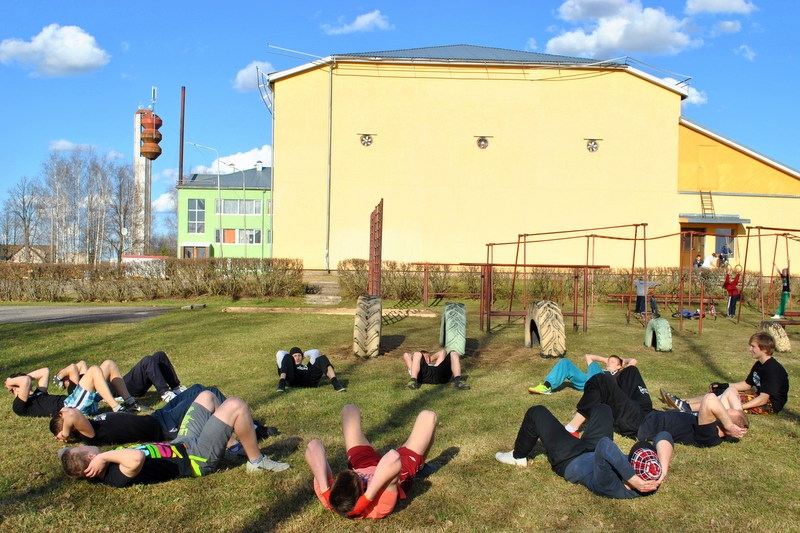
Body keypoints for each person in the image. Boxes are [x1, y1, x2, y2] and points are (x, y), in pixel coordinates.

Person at [58, 390, 290, 486]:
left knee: (206, 396)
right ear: (90, 457)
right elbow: (136, 459)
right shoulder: (114, 474)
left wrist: (104, 458)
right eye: (80, 448)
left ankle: (231, 446)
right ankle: (256, 462)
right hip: (196, 459)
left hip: (182, 443)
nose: (82, 444)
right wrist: (105, 457)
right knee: (235, 405)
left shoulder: (107, 462)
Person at [494, 403, 673, 499]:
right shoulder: (650, 474)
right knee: (603, 408)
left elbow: (605, 445)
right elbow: (664, 435)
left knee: (536, 412)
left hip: (569, 458)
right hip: (595, 450)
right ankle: (575, 424)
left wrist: (633, 479)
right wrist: (663, 472)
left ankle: (518, 456)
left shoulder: (612, 487)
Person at [305, 404, 436, 519]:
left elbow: (313, 446)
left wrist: (325, 491)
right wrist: (368, 498)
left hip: (363, 463)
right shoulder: (377, 507)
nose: (359, 476)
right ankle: (421, 467)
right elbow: (393, 457)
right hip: (398, 470)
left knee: (349, 410)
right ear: (361, 492)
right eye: (359, 479)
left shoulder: (336, 499)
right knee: (428, 416)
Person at [50, 383, 278, 446]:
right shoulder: (89, 434)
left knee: (199, 388)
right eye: (65, 415)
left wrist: (65, 421)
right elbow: (71, 417)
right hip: (163, 428)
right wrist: (64, 427)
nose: (70, 410)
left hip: (157, 416)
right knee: (211, 393)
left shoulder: (90, 422)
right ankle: (253, 430)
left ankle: (247, 424)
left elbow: (72, 416)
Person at [661, 332, 789, 415]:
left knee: (728, 399)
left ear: (764, 349)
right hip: (758, 397)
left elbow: (763, 399)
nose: (750, 349)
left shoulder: (773, 370)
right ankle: (683, 401)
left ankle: (687, 408)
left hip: (770, 405)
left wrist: (739, 407)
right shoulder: (759, 364)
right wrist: (724, 385)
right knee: (721, 392)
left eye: (753, 346)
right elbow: (746, 384)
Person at [6, 362, 147, 418]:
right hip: (71, 406)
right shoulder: (19, 406)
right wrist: (10, 382)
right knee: (93, 370)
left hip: (77, 400)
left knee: (109, 364)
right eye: (22, 384)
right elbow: (25, 381)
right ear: (15, 389)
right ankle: (117, 408)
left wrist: (24, 378)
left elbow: (45, 371)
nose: (29, 385)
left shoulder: (38, 393)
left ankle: (130, 402)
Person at [55, 352, 187, 403]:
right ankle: (165, 393)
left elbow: (81, 363)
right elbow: (72, 367)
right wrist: (59, 377)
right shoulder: (75, 389)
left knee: (159, 356)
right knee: (147, 360)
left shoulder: (85, 376)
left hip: (120, 382)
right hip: (121, 390)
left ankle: (176, 387)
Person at [563, 365, 654, 439]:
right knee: (631, 371)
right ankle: (609, 400)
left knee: (600, 380)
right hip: (649, 411)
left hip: (642, 422)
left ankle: (571, 428)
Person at [641, 387, 749, 447]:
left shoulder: (710, 434)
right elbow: (731, 390)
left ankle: (685, 405)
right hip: (657, 414)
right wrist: (740, 413)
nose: (723, 411)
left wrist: (729, 425)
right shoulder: (719, 422)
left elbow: (710, 399)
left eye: (726, 413)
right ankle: (685, 405)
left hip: (647, 422)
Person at [528, 354, 637, 395]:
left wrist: (624, 361)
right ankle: (546, 386)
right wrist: (605, 359)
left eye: (612, 362)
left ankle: (591, 387)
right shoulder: (600, 369)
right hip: (588, 380)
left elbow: (634, 361)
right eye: (609, 361)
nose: (609, 362)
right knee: (565, 362)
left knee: (594, 366)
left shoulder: (620, 374)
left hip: (601, 385)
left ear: (619, 366)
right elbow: (588, 356)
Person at [276, 347, 345, 393]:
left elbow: (315, 352)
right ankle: (281, 384)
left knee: (322, 358)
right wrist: (290, 356)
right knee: (287, 357)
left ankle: (336, 383)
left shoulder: (307, 367)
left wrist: (303, 354)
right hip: (293, 379)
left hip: (310, 380)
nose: (297, 358)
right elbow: (280, 353)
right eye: (295, 356)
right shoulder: (288, 366)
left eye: (299, 355)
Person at [403, 349, 470, 390]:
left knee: (453, 353)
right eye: (425, 357)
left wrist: (430, 359)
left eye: (428, 357)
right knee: (417, 353)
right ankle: (413, 382)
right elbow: (406, 355)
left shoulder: (435, 364)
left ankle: (458, 381)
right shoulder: (415, 367)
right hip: (423, 375)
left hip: (440, 375)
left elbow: (442, 352)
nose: (427, 358)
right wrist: (416, 357)